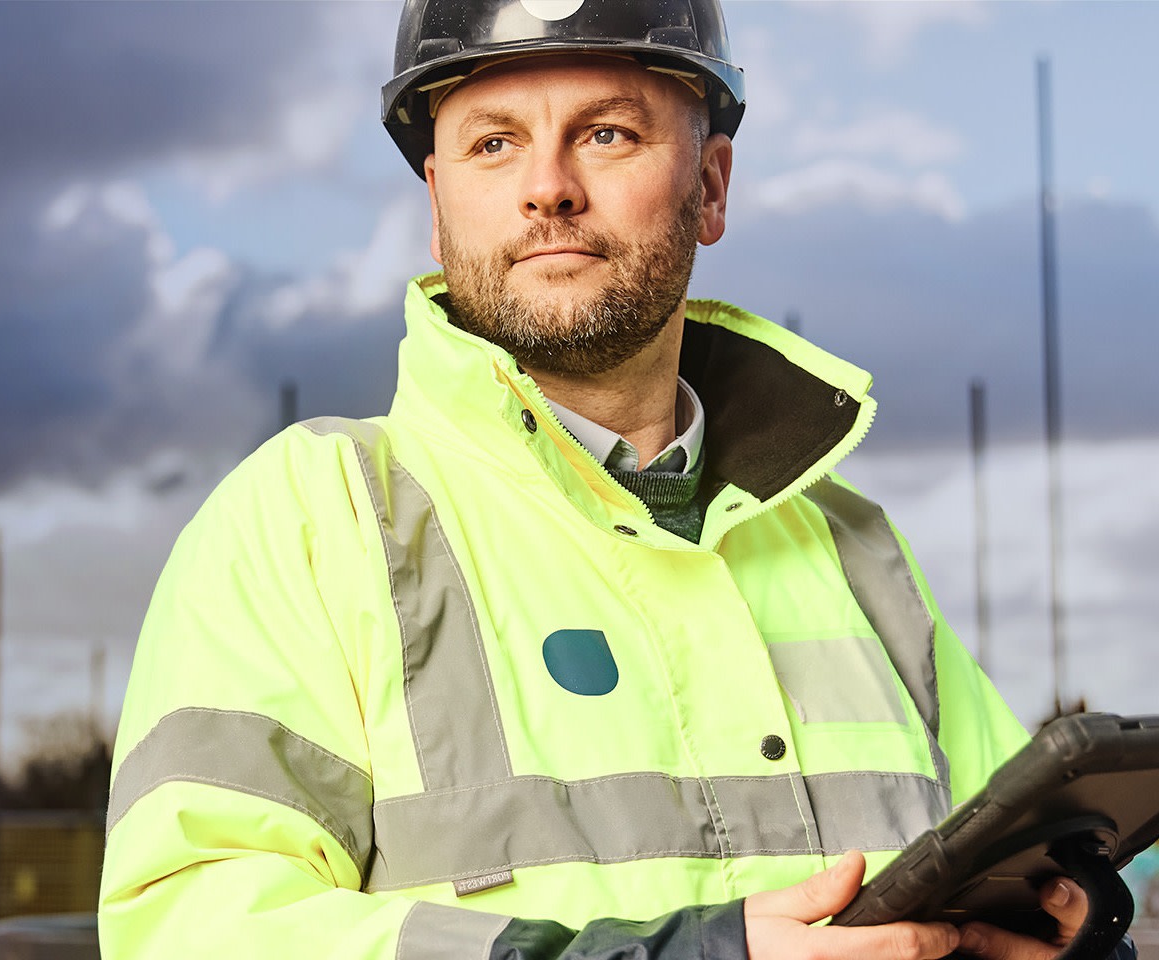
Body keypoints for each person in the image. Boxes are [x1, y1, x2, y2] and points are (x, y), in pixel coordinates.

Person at [99, 2, 1118, 958]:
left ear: (711, 187)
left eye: (607, 134)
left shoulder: (853, 552)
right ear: (437, 206)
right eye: (494, 142)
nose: (549, 187)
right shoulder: (314, 520)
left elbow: (1025, 867)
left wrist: (1068, 924)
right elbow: (190, 924)